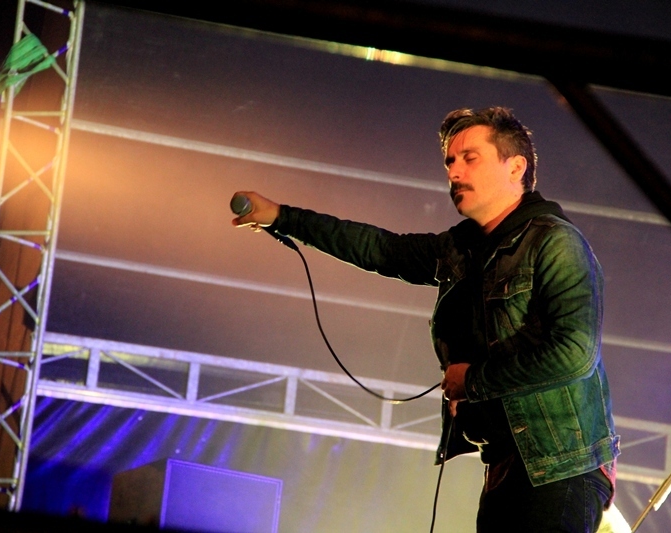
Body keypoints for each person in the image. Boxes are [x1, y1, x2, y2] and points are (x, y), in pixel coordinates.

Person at [232, 107, 620, 532]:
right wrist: (282, 217)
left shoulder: (555, 241)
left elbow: (574, 355)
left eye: (469, 158)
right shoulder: (462, 248)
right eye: (450, 162)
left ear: (516, 167)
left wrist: (472, 381)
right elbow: (381, 249)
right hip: (508, 463)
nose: (454, 171)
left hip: (561, 465)